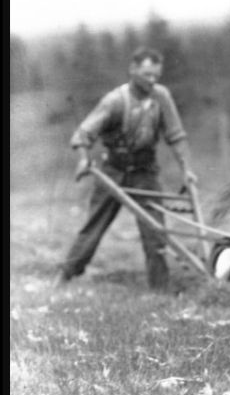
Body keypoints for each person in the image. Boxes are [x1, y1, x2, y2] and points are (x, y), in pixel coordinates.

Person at [55, 46, 198, 290]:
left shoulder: (161, 97)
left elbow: (176, 136)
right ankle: (65, 275)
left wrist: (187, 169)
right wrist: (83, 158)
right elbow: (83, 134)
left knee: (155, 232)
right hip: (113, 171)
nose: (152, 81)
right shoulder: (115, 101)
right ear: (132, 70)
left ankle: (160, 289)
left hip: (145, 172)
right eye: (146, 75)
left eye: (156, 75)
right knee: (94, 227)